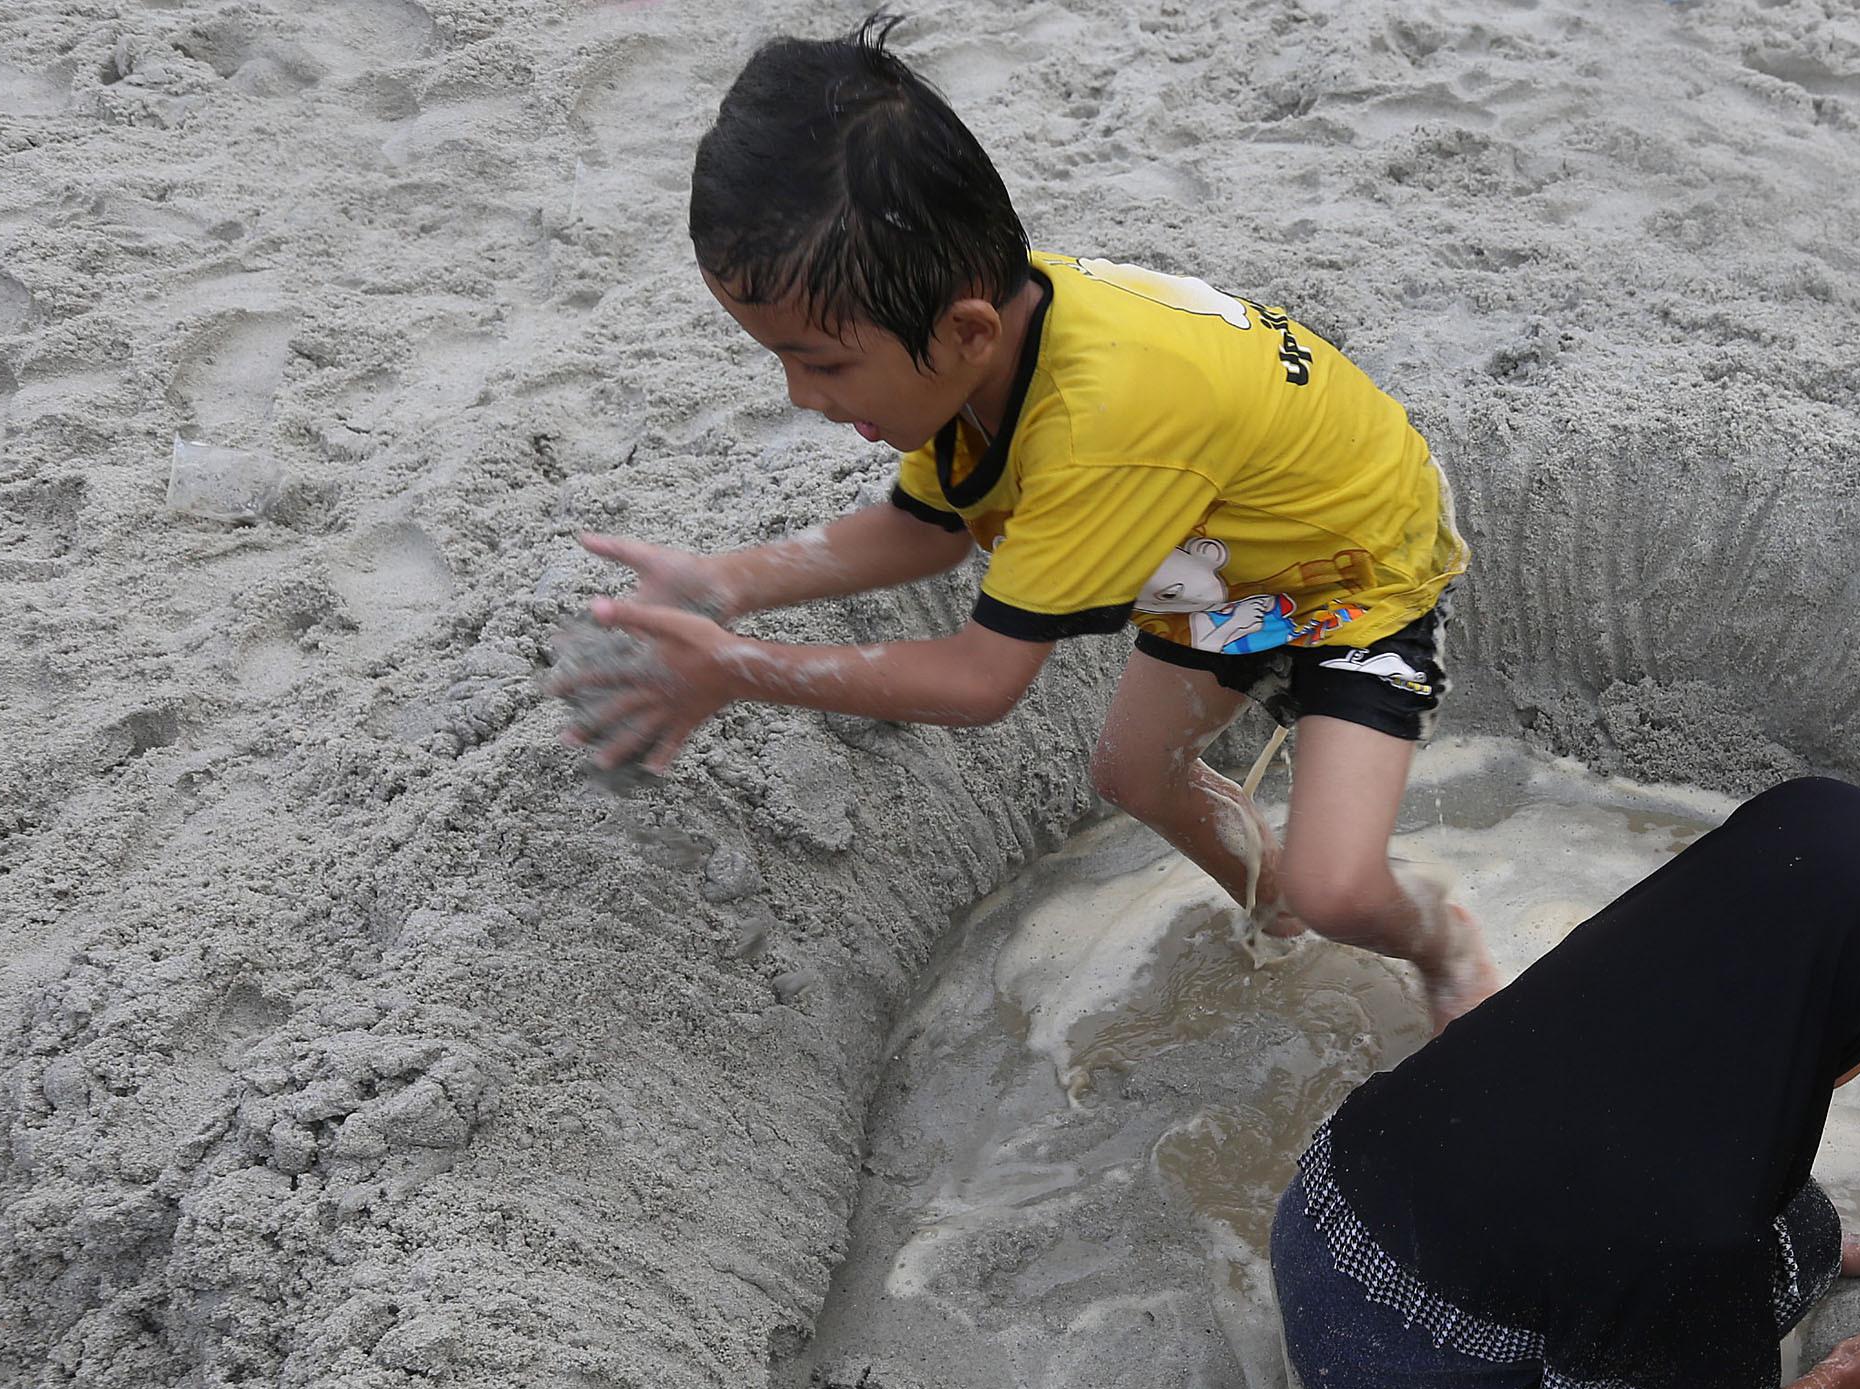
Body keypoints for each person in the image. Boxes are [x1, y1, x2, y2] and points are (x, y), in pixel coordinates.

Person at [547, 26, 1499, 1027]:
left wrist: (739, 667)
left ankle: (1439, 941)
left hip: (1353, 565)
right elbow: (929, 529)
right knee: (1134, 774)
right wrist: (727, 583)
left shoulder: (1098, 431)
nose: (800, 395)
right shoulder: (982, 341)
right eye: (780, 359)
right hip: (1227, 552)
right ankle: (1276, 918)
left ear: (967, 330)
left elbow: (980, 681)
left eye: (823, 364)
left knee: (1339, 885)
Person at [1271, 777, 1860, 1389]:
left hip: (1313, 1235)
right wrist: (1835, 1386)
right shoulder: (1705, 1218)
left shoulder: (1608, 973)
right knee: (1794, 1250)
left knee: (1793, 1232)